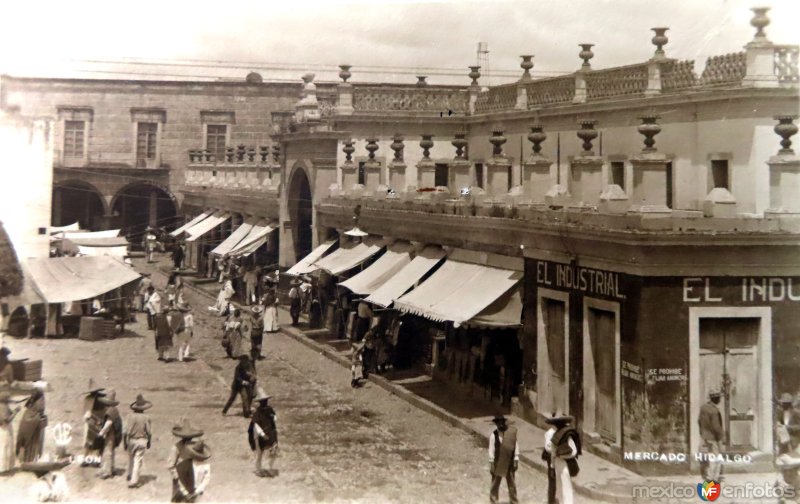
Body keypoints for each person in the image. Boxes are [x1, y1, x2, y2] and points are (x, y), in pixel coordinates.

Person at [168, 420, 210, 503]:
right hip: (181, 475)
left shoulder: (193, 447)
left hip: (191, 476)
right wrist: (176, 477)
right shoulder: (176, 447)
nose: (188, 439)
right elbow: (171, 465)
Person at [542, 413, 580, 504]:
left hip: (564, 464)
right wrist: (552, 466)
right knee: (559, 488)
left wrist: (563, 455)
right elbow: (553, 454)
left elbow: (574, 451)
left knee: (566, 486)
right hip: (557, 464)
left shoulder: (567, 435)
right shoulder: (553, 435)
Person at [488, 414, 519, 504]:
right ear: (496, 424)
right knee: (495, 482)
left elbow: (516, 446)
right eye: (498, 423)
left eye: (502, 422)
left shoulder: (510, 434)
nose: (501, 425)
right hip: (498, 462)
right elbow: (491, 450)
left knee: (511, 483)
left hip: (509, 461)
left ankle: (513, 500)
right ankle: (493, 499)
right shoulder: (493, 435)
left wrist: (516, 459)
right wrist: (491, 463)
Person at [249, 388, 279, 478]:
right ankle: (258, 469)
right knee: (260, 453)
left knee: (273, 451)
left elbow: (275, 417)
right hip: (261, 435)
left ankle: (270, 467)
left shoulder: (269, 409)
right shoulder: (257, 412)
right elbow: (256, 426)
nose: (265, 402)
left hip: (271, 432)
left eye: (265, 401)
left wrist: (273, 417)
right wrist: (262, 434)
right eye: (263, 401)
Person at [125, 394, 153, 488]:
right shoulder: (146, 417)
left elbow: (125, 431)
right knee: (138, 460)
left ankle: (129, 475)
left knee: (131, 458)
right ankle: (134, 480)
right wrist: (149, 442)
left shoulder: (129, 416)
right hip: (142, 440)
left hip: (131, 440)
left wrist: (125, 442)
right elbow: (149, 432)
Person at [776, 392, 800, 493]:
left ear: (790, 404)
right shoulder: (780, 413)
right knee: (783, 463)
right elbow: (779, 424)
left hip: (793, 442)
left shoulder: (796, 413)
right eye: (782, 403)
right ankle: (784, 485)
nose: (783, 405)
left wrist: (788, 428)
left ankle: (795, 486)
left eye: (785, 403)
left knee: (793, 463)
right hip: (783, 442)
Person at [698, 389, 724, 482]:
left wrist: (702, 433)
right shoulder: (714, 411)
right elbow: (716, 426)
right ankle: (713, 478)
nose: (720, 399)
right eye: (719, 397)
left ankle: (708, 476)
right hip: (713, 438)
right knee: (716, 457)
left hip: (705, 436)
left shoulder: (703, 408)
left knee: (708, 456)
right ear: (716, 398)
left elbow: (699, 421)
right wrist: (720, 438)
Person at [96, 388, 123, 479]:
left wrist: (101, 433)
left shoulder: (111, 411)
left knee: (107, 452)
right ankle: (110, 468)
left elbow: (108, 424)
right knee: (109, 451)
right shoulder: (113, 410)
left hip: (111, 434)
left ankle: (107, 472)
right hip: (112, 434)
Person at [16, 389, 47, 463]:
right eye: (41, 401)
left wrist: (42, 420)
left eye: (43, 401)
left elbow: (42, 430)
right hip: (28, 444)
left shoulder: (40, 415)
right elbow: (23, 430)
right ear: (35, 402)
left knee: (34, 456)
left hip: (35, 442)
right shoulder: (28, 414)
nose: (43, 404)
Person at [82, 379, 106, 466]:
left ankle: (86, 459)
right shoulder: (102, 399)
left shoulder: (88, 399)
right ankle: (96, 460)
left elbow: (86, 413)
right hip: (99, 420)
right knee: (99, 441)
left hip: (91, 421)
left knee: (89, 441)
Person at [0, 391, 20, 474]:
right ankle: (2, 468)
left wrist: (14, 409)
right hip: (4, 429)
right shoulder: (3, 407)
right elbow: (7, 420)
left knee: (4, 448)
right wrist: (16, 411)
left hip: (3, 429)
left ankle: (4, 468)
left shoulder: (3, 406)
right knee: (4, 448)